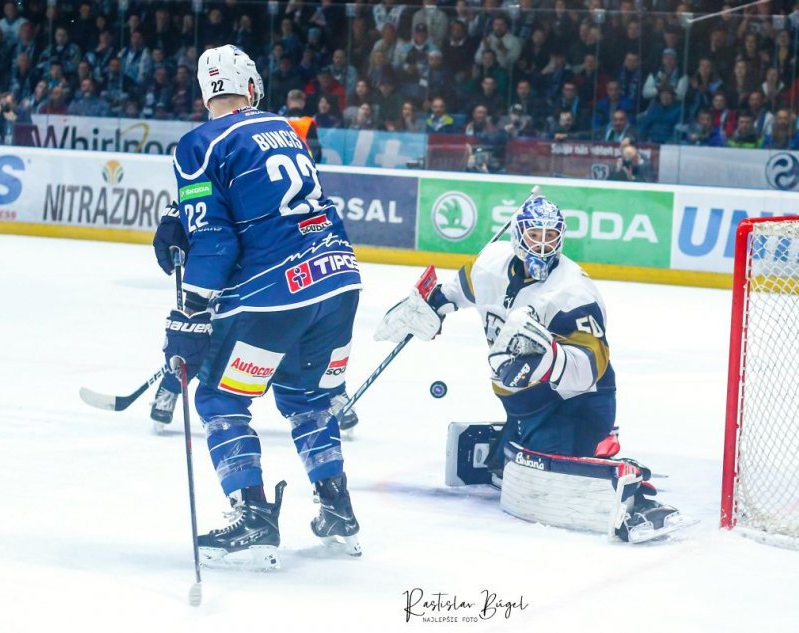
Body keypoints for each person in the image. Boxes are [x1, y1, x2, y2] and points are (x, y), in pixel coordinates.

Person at [150, 45, 363, 569]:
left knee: (221, 398)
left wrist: (192, 310)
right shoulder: (285, 128)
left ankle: (253, 518)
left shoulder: (198, 144)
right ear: (251, 87)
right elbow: (267, 203)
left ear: (206, 92)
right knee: (307, 398)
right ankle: (337, 509)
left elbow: (217, 241)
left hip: (276, 296)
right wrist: (184, 214)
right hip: (338, 280)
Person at [373, 195, 684, 542]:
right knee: (505, 470)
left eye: (551, 236)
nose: (543, 245)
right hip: (526, 404)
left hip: (574, 406)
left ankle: (624, 480)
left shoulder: (573, 292)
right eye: (535, 235)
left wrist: (549, 357)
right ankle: (548, 438)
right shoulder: (490, 264)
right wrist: (433, 305)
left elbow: (591, 368)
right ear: (518, 235)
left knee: (545, 483)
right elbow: (456, 290)